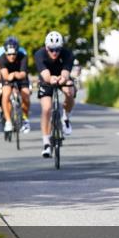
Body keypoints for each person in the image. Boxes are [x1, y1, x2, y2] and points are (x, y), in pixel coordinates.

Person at [34, 30, 76, 158]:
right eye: (51, 50)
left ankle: (66, 117)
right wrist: (51, 79)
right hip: (47, 79)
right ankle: (46, 143)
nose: (54, 53)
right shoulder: (39, 54)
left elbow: (65, 73)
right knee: (46, 108)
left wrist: (62, 79)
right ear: (46, 47)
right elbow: (46, 75)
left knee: (70, 91)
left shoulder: (68, 54)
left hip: (61, 77)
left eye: (57, 50)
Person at [0, 37, 31, 134]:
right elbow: (5, 75)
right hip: (8, 77)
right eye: (9, 54)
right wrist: (11, 76)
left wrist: (16, 74)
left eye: (14, 54)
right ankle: (8, 121)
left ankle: (25, 119)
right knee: (6, 94)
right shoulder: (2, 58)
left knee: (26, 95)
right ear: (6, 52)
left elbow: (23, 73)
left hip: (20, 76)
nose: (12, 56)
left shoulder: (23, 56)